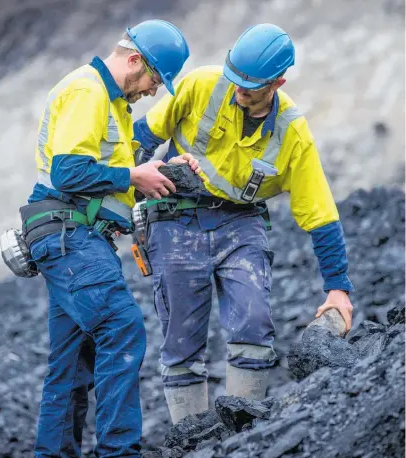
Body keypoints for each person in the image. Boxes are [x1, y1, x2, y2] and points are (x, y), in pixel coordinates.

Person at [133, 23, 354, 424]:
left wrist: (338, 288)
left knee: (254, 324)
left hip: (241, 223)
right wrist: (131, 185)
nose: (237, 89)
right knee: (181, 341)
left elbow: (319, 213)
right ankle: (191, 440)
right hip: (176, 219)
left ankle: (242, 436)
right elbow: (142, 136)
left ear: (278, 82)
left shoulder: (292, 132)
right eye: (233, 78)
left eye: (249, 85)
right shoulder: (201, 85)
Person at [23, 20, 189, 457]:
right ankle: (119, 453)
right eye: (155, 79)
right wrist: (134, 174)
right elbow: (68, 171)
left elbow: (109, 178)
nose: (154, 91)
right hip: (69, 234)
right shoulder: (88, 91)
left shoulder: (113, 104)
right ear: (135, 60)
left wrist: (163, 172)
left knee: (71, 363)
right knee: (121, 326)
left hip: (72, 236)